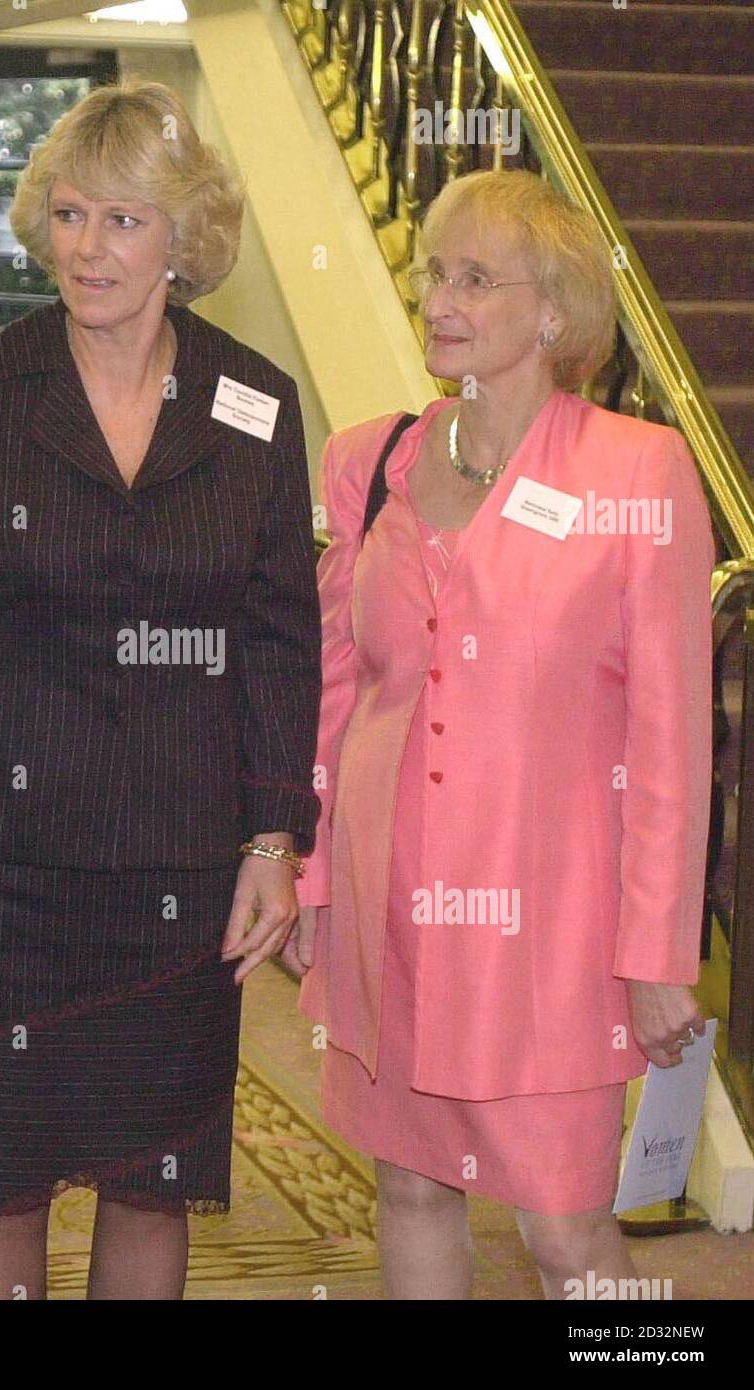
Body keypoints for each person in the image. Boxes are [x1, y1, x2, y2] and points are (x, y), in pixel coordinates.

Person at [0, 79, 321, 1300]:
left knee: (155, 1176)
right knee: (0, 1175)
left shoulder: (251, 403)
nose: (89, 249)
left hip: (182, 861)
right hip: (6, 860)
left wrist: (271, 835)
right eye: (70, 215)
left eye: (124, 221)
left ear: (182, 238)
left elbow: (277, 634)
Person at [292, 168, 713, 1300]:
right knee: (413, 1190)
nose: (439, 298)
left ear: (554, 312)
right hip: (390, 908)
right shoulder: (368, 461)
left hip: (554, 929)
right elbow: (336, 696)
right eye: (436, 271)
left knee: (564, 1234)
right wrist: (313, 877)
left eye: (476, 278)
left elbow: (672, 739)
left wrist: (657, 955)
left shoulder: (637, 470)